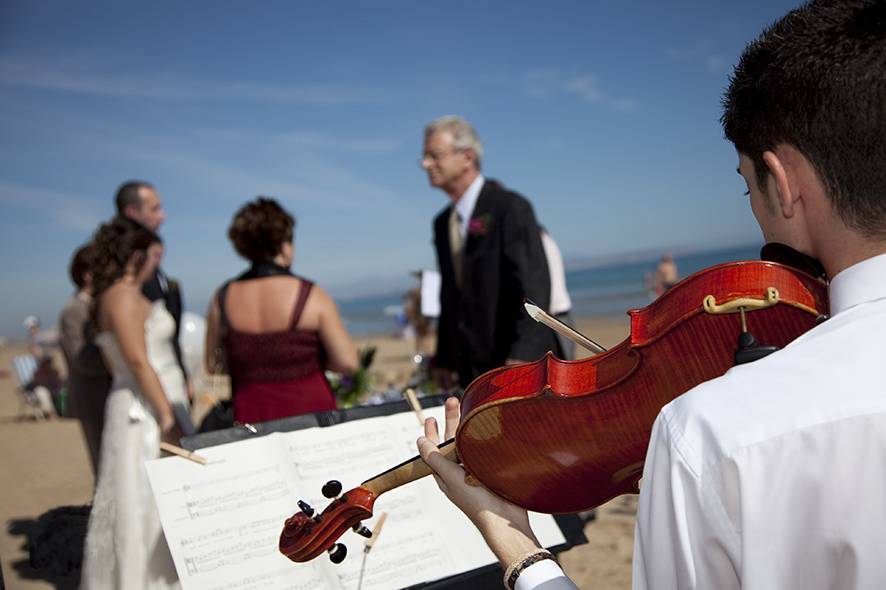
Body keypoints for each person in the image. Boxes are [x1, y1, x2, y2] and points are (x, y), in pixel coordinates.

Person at [417, 2, 886, 588]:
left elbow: (531, 284)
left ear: (784, 183)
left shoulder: (712, 432)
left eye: (746, 190)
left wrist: (517, 550)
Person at [81, 218, 194, 590]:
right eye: (152, 254)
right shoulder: (122, 297)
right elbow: (138, 360)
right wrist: (167, 417)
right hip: (143, 411)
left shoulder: (124, 293)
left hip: (154, 400)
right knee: (142, 502)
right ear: (137, 255)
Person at [422, 115, 556, 389]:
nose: (426, 164)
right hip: (473, 368)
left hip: (515, 363)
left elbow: (535, 285)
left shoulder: (510, 207)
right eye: (424, 157)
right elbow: (450, 295)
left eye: (434, 156)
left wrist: (523, 356)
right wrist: (445, 357)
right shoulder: (441, 223)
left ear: (467, 157)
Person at [205, 197, 358, 424]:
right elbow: (348, 362)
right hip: (312, 414)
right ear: (284, 244)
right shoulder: (311, 294)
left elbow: (212, 364)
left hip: (251, 416)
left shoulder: (223, 297)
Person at [115, 180, 188, 389]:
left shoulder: (155, 271)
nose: (162, 216)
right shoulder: (121, 275)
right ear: (131, 212)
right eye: (155, 209)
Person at [58, 242, 111, 474]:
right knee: (103, 461)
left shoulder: (97, 305)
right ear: (87, 274)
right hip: (93, 397)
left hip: (107, 394)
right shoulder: (74, 310)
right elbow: (82, 359)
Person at [539, 227, 576, 360]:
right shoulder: (549, 240)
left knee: (562, 367)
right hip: (561, 311)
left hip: (553, 315)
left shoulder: (540, 243)